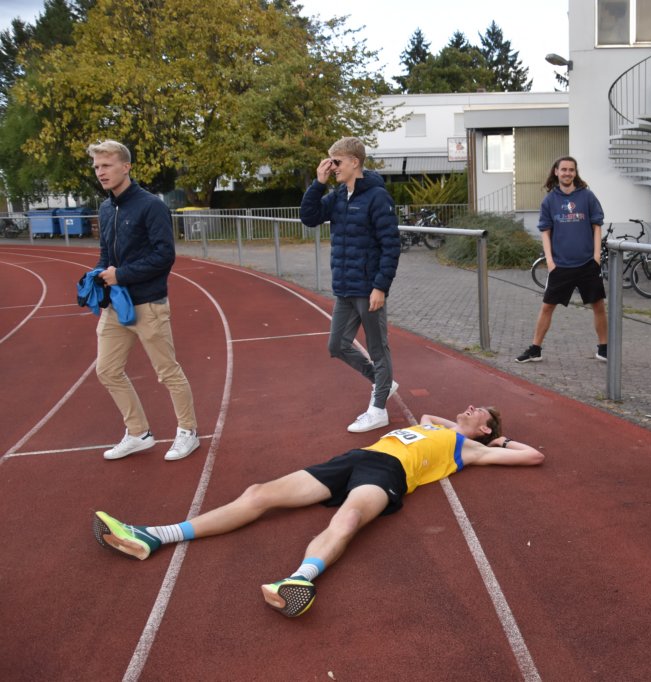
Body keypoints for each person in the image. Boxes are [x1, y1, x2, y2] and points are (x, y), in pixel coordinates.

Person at [92, 405, 544, 618]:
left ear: (484, 431)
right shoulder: (438, 428)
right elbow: (428, 418)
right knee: (258, 493)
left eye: (479, 411)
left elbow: (533, 456)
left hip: (388, 474)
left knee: (348, 518)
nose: (469, 407)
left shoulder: (473, 450)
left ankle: (299, 580)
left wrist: (495, 439)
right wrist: (462, 424)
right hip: (355, 458)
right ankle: (156, 535)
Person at [88, 140, 200, 462]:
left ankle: (188, 431)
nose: (100, 172)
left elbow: (164, 256)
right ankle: (138, 433)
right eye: (97, 167)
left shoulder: (151, 205)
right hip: (116, 305)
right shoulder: (106, 208)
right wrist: (99, 274)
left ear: (126, 167)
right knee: (107, 370)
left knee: (167, 372)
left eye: (106, 165)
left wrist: (121, 274)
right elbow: (106, 254)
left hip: (148, 304)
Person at [300, 137, 401, 433]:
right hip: (345, 287)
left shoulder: (377, 197)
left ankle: (378, 410)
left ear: (355, 162)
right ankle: (383, 383)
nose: (333, 167)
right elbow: (309, 218)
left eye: (337, 162)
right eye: (330, 162)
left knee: (378, 349)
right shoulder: (339, 195)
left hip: (368, 288)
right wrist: (318, 184)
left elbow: (391, 245)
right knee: (337, 345)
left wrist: (380, 287)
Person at [516, 156, 608, 363]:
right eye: (564, 169)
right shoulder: (549, 200)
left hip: (587, 263)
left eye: (571, 170)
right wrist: (550, 261)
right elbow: (545, 232)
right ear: (556, 172)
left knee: (598, 306)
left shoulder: (587, 196)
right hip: (561, 265)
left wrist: (596, 257)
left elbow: (597, 226)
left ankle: (604, 348)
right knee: (547, 307)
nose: (567, 173)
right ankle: (535, 349)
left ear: (575, 173)